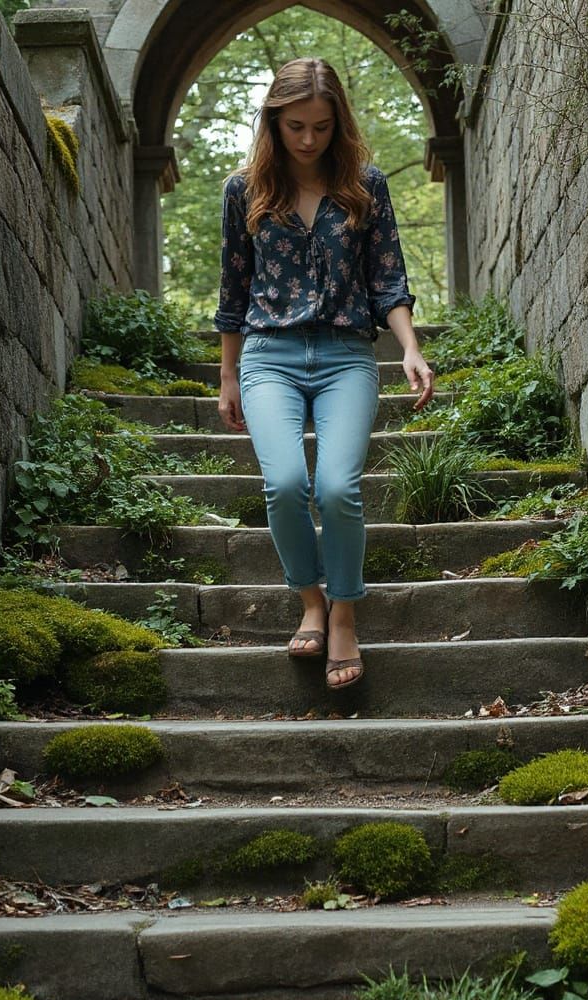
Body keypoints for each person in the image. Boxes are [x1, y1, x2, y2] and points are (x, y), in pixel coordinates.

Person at [214, 56, 434, 690]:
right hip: (268, 357)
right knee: (284, 484)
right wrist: (229, 375)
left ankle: (343, 614)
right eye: (295, 127)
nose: (308, 140)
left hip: (345, 356)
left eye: (321, 126)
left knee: (337, 488)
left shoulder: (363, 185)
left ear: (339, 123)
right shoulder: (244, 190)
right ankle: (311, 598)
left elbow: (388, 279)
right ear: (273, 123)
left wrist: (410, 349)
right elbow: (234, 288)